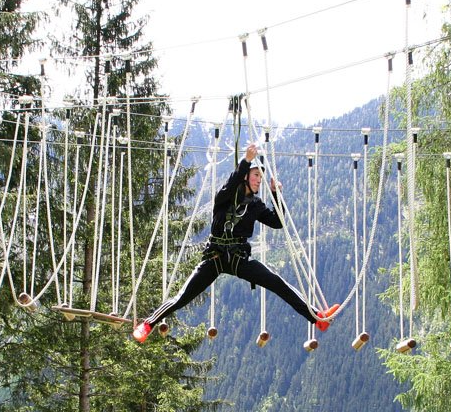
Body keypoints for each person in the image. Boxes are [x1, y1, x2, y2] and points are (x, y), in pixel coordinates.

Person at [133, 144, 339, 343]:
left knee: (277, 282)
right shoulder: (224, 197)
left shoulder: (256, 205)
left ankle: (317, 319)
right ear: (245, 177)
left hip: (239, 259)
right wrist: (245, 161)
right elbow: (231, 183)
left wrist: (277, 195)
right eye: (256, 175)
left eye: (261, 176)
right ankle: (148, 324)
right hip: (215, 257)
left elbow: (278, 223)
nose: (260, 180)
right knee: (183, 297)